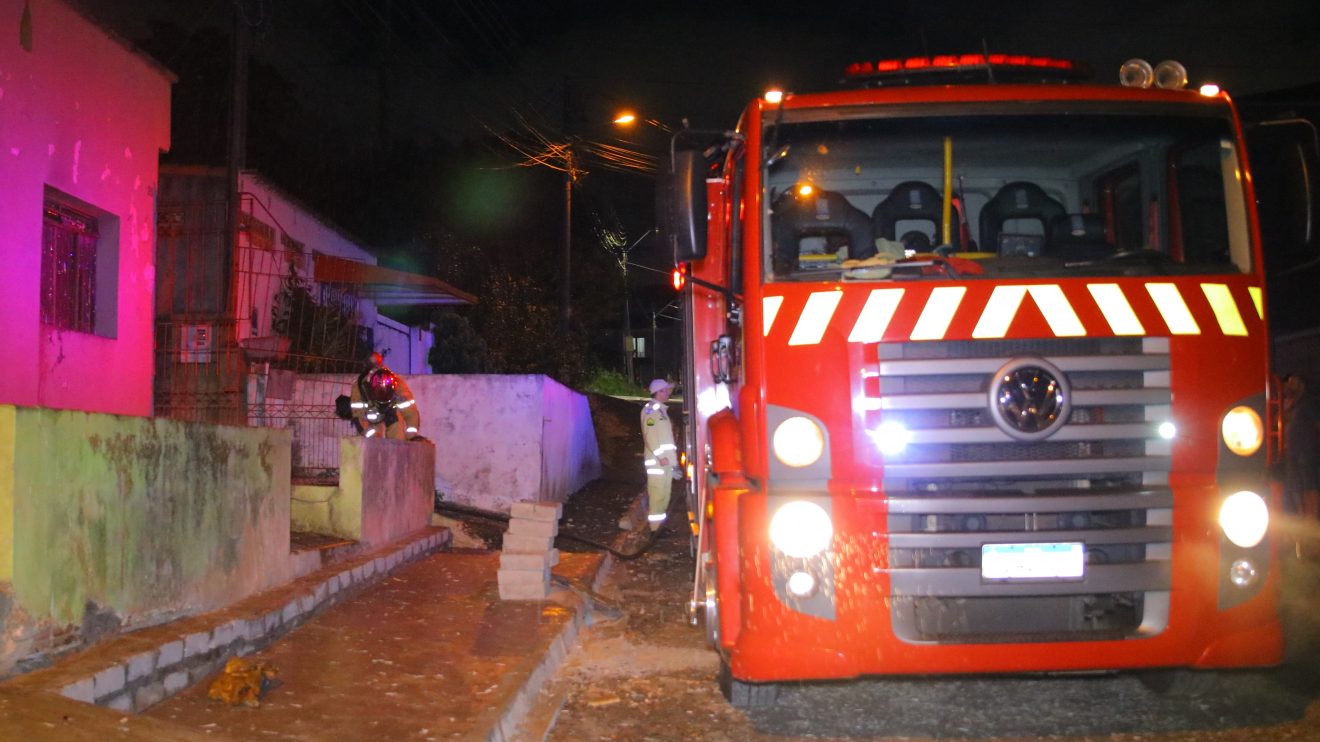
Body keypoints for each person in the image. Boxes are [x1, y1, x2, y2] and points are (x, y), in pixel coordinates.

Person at [622, 378, 679, 532]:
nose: (668, 393)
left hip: (665, 463)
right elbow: (651, 438)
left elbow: (665, 439)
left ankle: (659, 526)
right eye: (666, 390)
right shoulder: (651, 411)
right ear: (659, 392)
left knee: (664, 495)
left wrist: (673, 464)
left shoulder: (660, 410)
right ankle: (654, 529)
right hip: (658, 463)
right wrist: (662, 458)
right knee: (657, 495)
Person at [349, 352, 421, 440]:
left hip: (391, 418)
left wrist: (412, 434)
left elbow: (410, 411)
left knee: (396, 422)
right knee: (376, 433)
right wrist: (370, 438)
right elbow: (358, 417)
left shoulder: (396, 382)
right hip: (371, 423)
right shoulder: (360, 386)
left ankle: (396, 449)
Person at [1283, 373, 1319, 520]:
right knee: (1296, 485)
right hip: (1293, 451)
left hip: (1306, 451)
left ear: (1301, 384)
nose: (1290, 386)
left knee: (1309, 484)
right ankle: (1302, 516)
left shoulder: (1309, 402)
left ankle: (1312, 518)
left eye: (1293, 383)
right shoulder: (1294, 404)